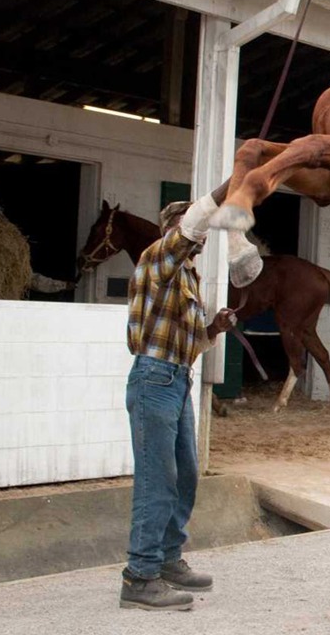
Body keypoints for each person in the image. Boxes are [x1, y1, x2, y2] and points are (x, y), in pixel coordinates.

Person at [120, 191, 260, 611]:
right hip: (154, 380)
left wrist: (214, 328)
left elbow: (190, 343)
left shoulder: (187, 278)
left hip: (176, 378)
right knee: (156, 480)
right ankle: (139, 576)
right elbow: (186, 233)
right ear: (172, 231)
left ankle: (166, 560)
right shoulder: (156, 259)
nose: (200, 240)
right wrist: (227, 189)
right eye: (193, 231)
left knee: (184, 477)